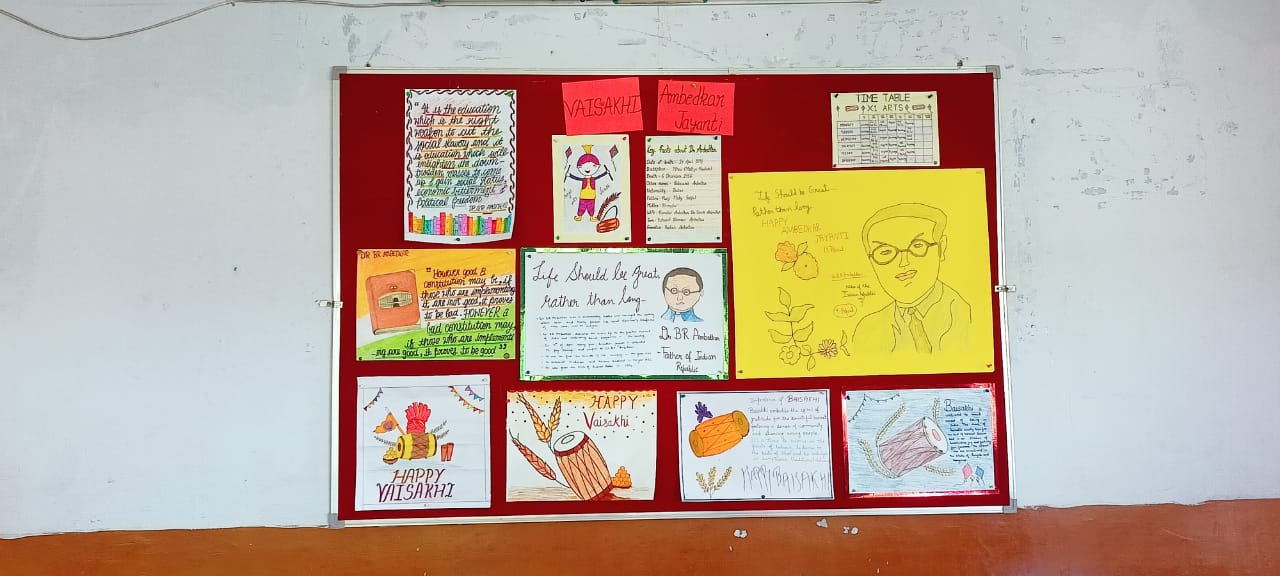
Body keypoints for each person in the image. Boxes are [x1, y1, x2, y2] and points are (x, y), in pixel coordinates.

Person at [852, 203, 971, 355]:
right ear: (871, 261)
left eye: (917, 246)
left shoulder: (967, 315)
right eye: (885, 252)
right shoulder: (866, 331)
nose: (903, 262)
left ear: (941, 248)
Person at [565, 145, 612, 222]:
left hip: (592, 196)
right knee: (581, 207)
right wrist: (569, 175)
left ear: (597, 166)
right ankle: (579, 216)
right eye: (582, 166)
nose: (587, 169)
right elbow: (577, 178)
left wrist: (606, 173)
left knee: (591, 207)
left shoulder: (593, 179)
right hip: (583, 196)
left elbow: (599, 176)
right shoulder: (584, 179)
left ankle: (591, 217)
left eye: (593, 166)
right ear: (579, 167)